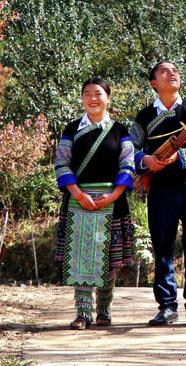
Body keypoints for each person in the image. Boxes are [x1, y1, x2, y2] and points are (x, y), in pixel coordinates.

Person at [130, 61, 186, 326]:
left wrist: (180, 156)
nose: (172, 74)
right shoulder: (144, 117)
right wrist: (146, 160)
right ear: (153, 83)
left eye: (175, 70)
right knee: (163, 248)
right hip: (161, 190)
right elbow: (130, 150)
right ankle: (167, 306)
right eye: (164, 71)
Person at [54, 77, 135, 329]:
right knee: (80, 257)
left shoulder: (120, 130)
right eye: (87, 93)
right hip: (79, 201)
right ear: (81, 99)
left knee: (108, 260)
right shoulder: (71, 129)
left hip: (112, 203)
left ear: (108, 98)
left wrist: (113, 195)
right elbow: (62, 164)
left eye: (98, 93)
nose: (93, 98)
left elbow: (128, 165)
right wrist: (79, 195)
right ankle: (82, 313)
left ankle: (103, 310)